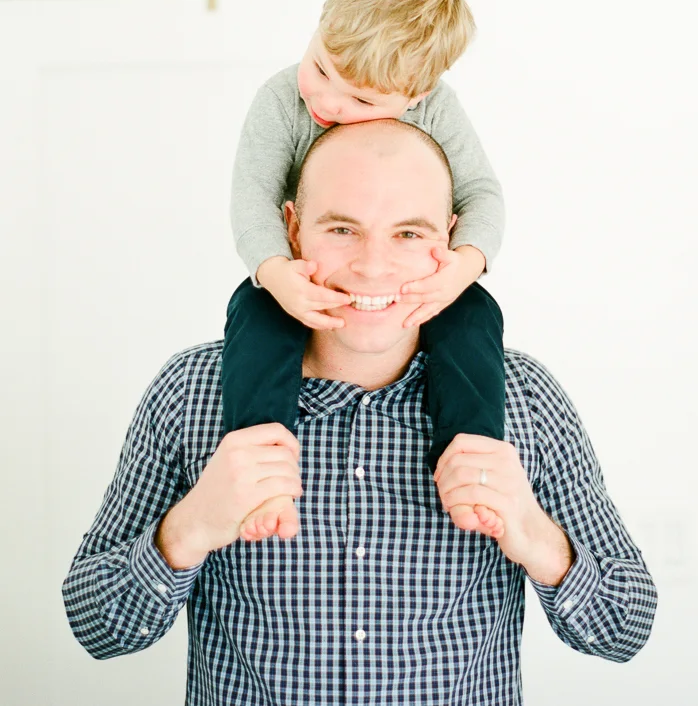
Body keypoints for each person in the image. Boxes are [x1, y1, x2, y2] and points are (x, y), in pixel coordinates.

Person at [62, 121, 657, 706]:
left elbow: (624, 629)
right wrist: (187, 530)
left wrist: (534, 535)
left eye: (408, 234)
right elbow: (96, 627)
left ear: (452, 242)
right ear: (291, 230)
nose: (374, 267)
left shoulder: (525, 399)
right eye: (342, 228)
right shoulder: (192, 393)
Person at [225, 0, 506, 540]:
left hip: (420, 288)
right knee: (254, 316)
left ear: (418, 93)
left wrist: (465, 266)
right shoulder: (282, 100)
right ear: (321, 20)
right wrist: (277, 273)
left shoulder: (439, 108)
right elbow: (251, 200)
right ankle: (261, 472)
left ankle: (469, 463)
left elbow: (482, 194)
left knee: (476, 313)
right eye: (322, 68)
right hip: (299, 272)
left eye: (362, 102)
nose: (328, 104)